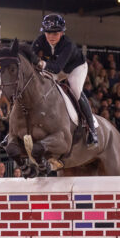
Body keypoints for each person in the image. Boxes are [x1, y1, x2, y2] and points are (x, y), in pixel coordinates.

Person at [31, 13, 97, 146]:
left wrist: (41, 63)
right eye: (48, 33)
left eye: (55, 33)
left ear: (61, 33)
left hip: (75, 68)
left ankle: (92, 129)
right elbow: (30, 55)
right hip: (57, 67)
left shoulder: (68, 44)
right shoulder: (40, 40)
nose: (51, 36)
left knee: (75, 90)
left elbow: (56, 69)